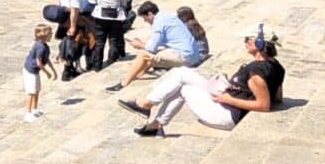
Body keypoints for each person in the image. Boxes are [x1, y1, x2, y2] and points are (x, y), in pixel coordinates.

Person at [120, 26, 285, 138]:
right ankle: (152, 119)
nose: (245, 42)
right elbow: (277, 97)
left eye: (247, 39)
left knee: (183, 86)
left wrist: (228, 99)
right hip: (226, 101)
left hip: (226, 114)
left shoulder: (257, 73)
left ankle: (147, 110)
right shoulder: (276, 66)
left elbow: (264, 105)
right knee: (182, 73)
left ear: (257, 43)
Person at [108, 2, 205, 91]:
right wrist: (144, 44)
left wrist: (139, 45)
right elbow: (160, 42)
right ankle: (138, 74)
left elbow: (151, 48)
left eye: (144, 18)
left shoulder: (159, 23)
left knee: (143, 54)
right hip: (192, 54)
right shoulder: (168, 15)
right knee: (151, 54)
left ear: (150, 14)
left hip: (186, 57)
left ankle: (124, 83)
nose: (145, 21)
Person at [21, 23, 52, 120]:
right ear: (43, 35)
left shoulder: (45, 46)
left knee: (37, 90)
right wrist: (47, 73)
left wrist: (54, 71)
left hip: (35, 71)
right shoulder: (40, 47)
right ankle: (28, 113)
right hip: (30, 71)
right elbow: (39, 62)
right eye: (50, 33)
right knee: (31, 91)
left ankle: (35, 109)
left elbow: (46, 59)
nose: (52, 35)